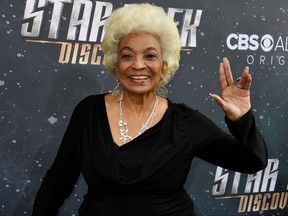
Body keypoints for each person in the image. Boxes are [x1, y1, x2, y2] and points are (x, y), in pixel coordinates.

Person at [32, 3, 268, 216]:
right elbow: (58, 182)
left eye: (150, 55)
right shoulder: (88, 112)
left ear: (164, 65)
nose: (137, 64)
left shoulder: (185, 122)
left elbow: (252, 162)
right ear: (116, 64)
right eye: (127, 55)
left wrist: (242, 119)